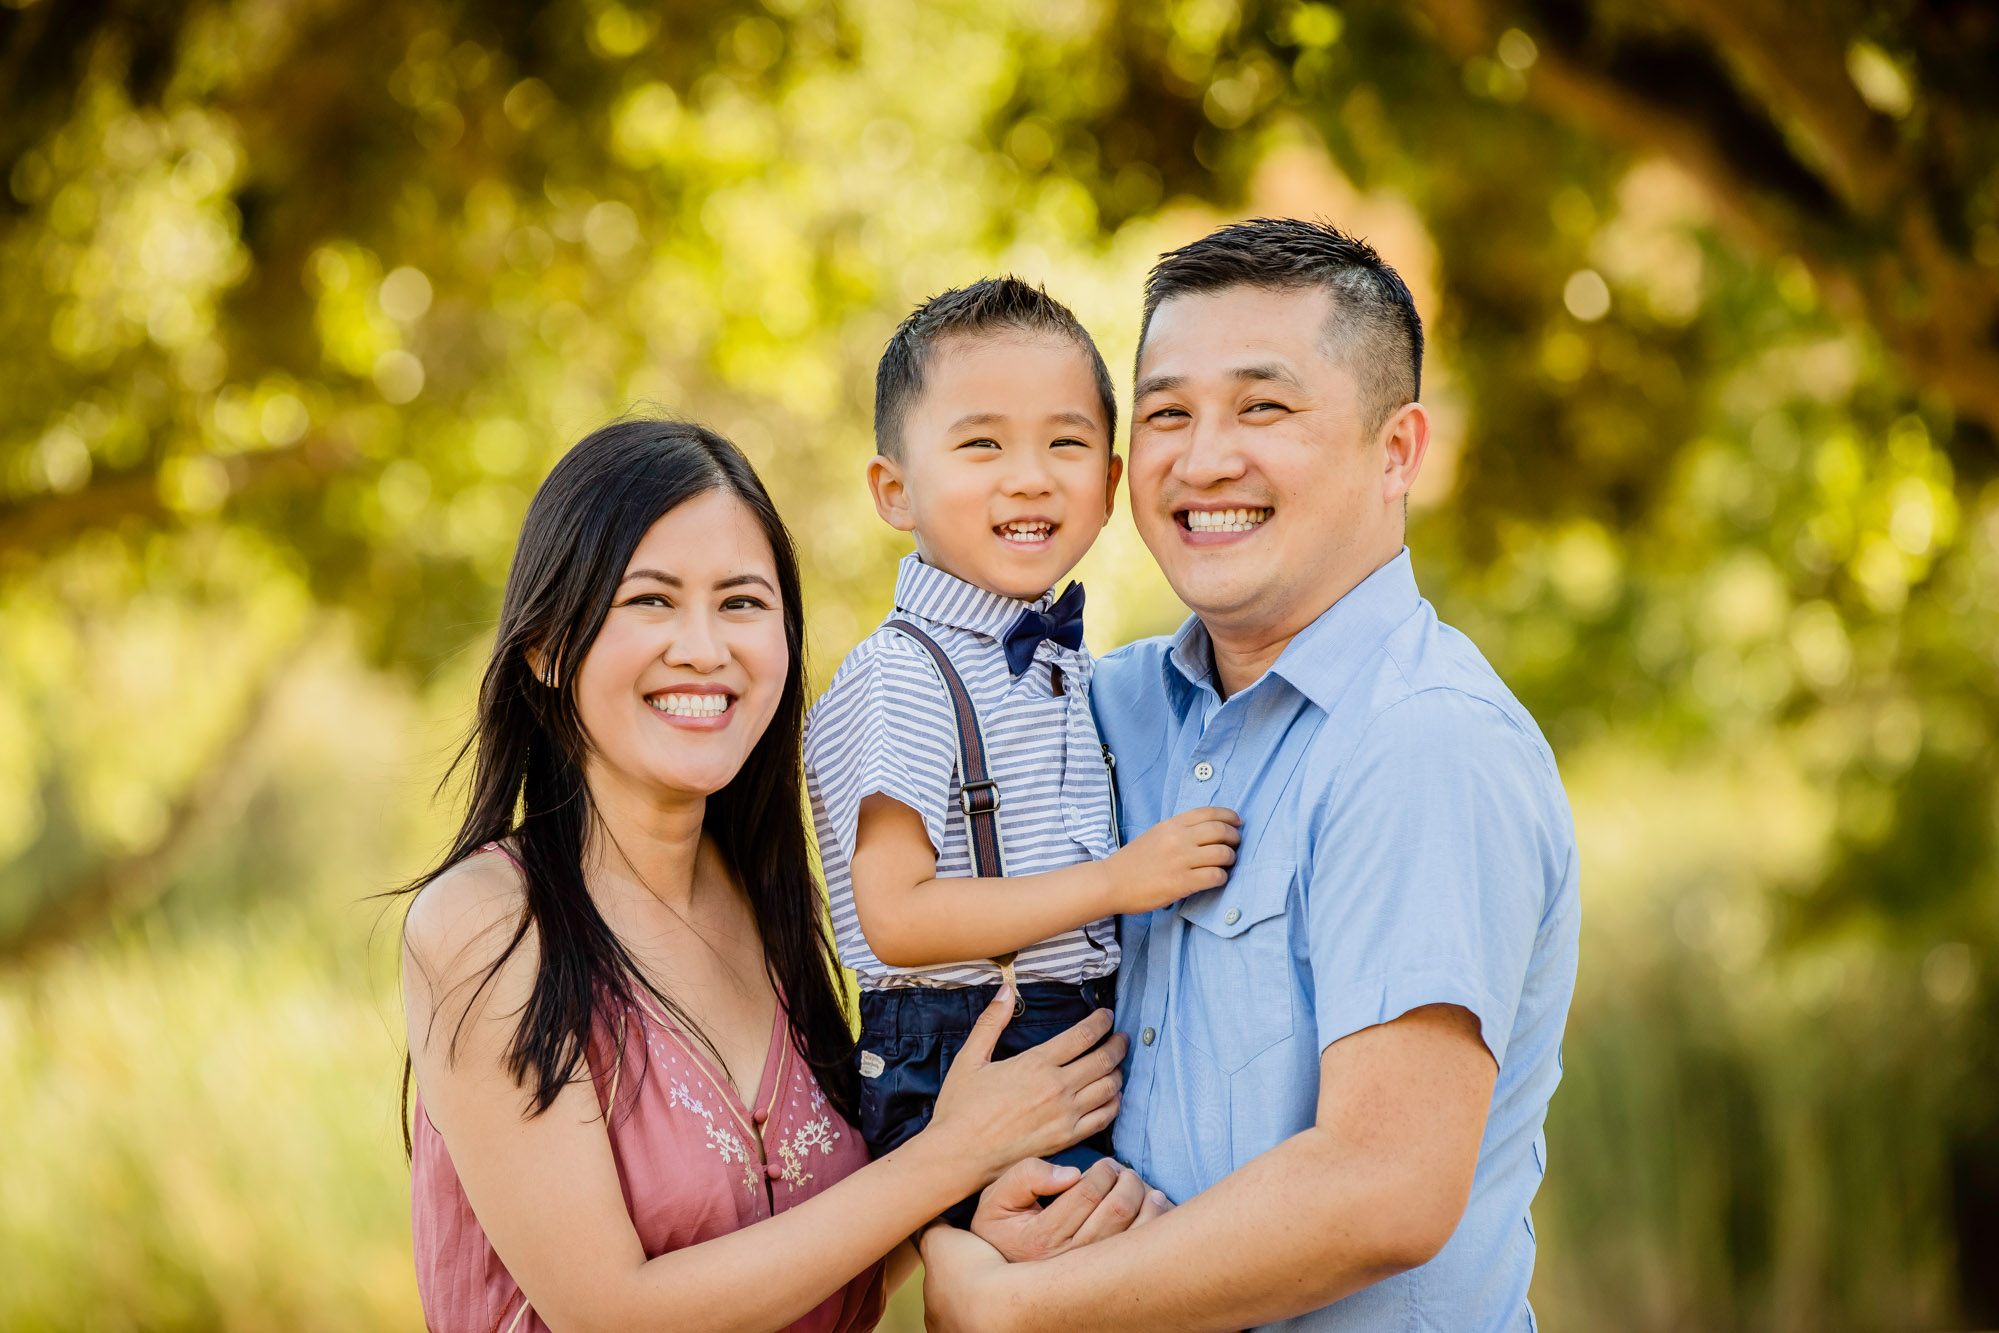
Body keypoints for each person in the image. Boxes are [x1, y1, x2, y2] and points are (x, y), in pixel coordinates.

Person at [920, 219, 1582, 1330]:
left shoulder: (1423, 742)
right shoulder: (1097, 709)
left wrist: (1018, 1309)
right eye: (1168, 412)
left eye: (1262, 408)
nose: (1202, 457)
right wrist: (970, 1202)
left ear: (1397, 449)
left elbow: (1383, 1189)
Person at [399, 419, 1130, 1333]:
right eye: (651, 601)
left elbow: (822, 1257)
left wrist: (976, 1213)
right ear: (546, 646)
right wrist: (949, 1156)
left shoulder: (776, 906)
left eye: (742, 603)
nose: (705, 648)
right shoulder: (487, 923)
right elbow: (613, 1312)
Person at [804, 277, 1239, 1226]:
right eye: (981, 443)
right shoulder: (901, 675)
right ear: (894, 490)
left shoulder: (1065, 666)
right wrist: (1118, 881)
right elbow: (897, 919)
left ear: (1112, 483)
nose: (1030, 475)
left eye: (1066, 442)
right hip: (966, 1044)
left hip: (1064, 1024)